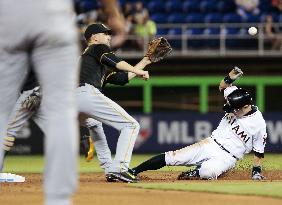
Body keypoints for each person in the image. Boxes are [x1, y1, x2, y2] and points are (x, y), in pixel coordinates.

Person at [0, 1, 79, 205]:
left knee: (6, 127)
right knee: (61, 119)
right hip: (54, 13)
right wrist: (113, 12)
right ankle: (60, 199)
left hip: (29, 93)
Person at [130, 67, 267, 181]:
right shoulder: (235, 96)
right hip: (210, 144)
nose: (232, 111)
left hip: (228, 157)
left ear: (246, 106)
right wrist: (229, 78)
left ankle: (196, 173)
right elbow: (223, 87)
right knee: (172, 157)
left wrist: (256, 171)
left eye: (234, 110)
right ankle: (134, 171)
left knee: (208, 172)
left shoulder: (259, 124)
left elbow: (259, 151)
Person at [77, 23, 151, 183]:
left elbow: (122, 79)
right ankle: (119, 169)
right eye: (104, 33)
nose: (109, 36)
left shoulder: (87, 61)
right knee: (131, 126)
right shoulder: (96, 48)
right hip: (85, 94)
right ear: (94, 37)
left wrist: (145, 61)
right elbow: (115, 61)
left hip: (70, 101)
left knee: (94, 125)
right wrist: (137, 71)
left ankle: (110, 168)